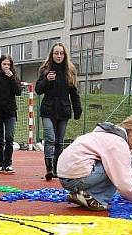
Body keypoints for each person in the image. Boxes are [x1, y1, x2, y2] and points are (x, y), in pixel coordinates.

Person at [58, 116, 132, 211]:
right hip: (77, 178)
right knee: (120, 168)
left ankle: (84, 194)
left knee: (112, 165)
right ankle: (95, 198)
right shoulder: (118, 143)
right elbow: (124, 184)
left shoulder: (104, 135)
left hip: (64, 177)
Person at [35, 42, 82, 181]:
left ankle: (56, 169)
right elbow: (38, 90)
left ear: (65, 55)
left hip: (63, 109)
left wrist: (77, 108)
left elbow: (74, 93)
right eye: (56, 53)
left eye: (61, 53)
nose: (59, 56)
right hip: (48, 108)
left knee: (59, 142)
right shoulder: (45, 70)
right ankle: (49, 169)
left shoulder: (70, 71)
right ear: (52, 54)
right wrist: (46, 81)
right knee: (50, 137)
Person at [0, 55, 22, 174]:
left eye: (9, 65)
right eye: (4, 64)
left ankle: (8, 163)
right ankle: (0, 163)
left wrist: (12, 78)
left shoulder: (14, 77)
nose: (7, 67)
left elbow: (18, 92)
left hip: (10, 111)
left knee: (9, 137)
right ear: (0, 65)